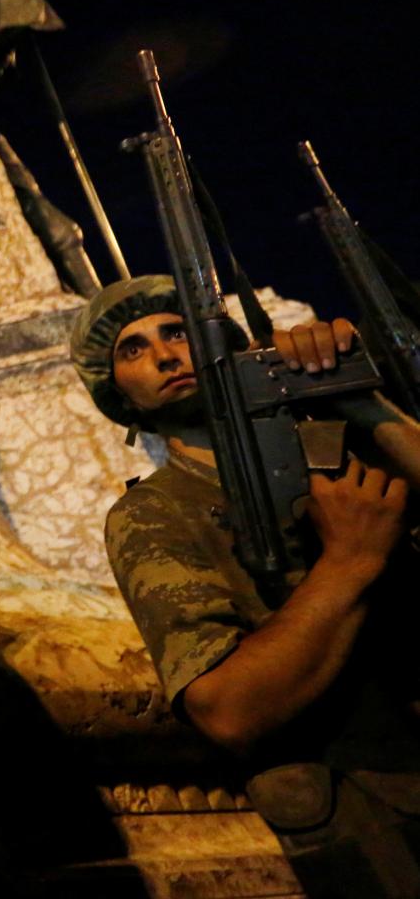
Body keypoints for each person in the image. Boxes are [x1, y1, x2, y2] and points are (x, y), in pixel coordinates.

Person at [76, 276, 420, 894]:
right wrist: (348, 563)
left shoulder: (329, 442)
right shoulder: (156, 514)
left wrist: (351, 394)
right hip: (378, 807)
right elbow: (228, 710)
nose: (163, 354)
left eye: (179, 332)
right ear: (117, 394)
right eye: (132, 349)